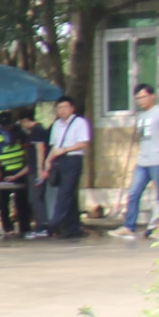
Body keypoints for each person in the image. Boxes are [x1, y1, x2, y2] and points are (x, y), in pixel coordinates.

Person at [121, 82, 159, 241]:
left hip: (158, 159)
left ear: (152, 96)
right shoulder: (141, 116)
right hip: (142, 161)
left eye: (143, 97)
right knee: (134, 193)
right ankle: (129, 226)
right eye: (138, 98)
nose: (141, 101)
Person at [45, 93, 92, 239]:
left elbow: (84, 142)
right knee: (69, 194)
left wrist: (65, 149)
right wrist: (48, 160)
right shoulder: (56, 125)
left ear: (72, 108)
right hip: (59, 160)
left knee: (64, 192)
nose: (62, 110)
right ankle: (73, 227)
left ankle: (55, 223)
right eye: (59, 108)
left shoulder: (80, 122)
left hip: (73, 159)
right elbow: (54, 146)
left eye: (65, 107)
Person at [19, 111, 53, 239]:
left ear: (25, 120)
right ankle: (43, 225)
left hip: (37, 171)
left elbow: (40, 149)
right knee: (37, 198)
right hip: (34, 169)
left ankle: (42, 227)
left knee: (35, 198)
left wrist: (40, 168)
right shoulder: (37, 130)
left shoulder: (36, 131)